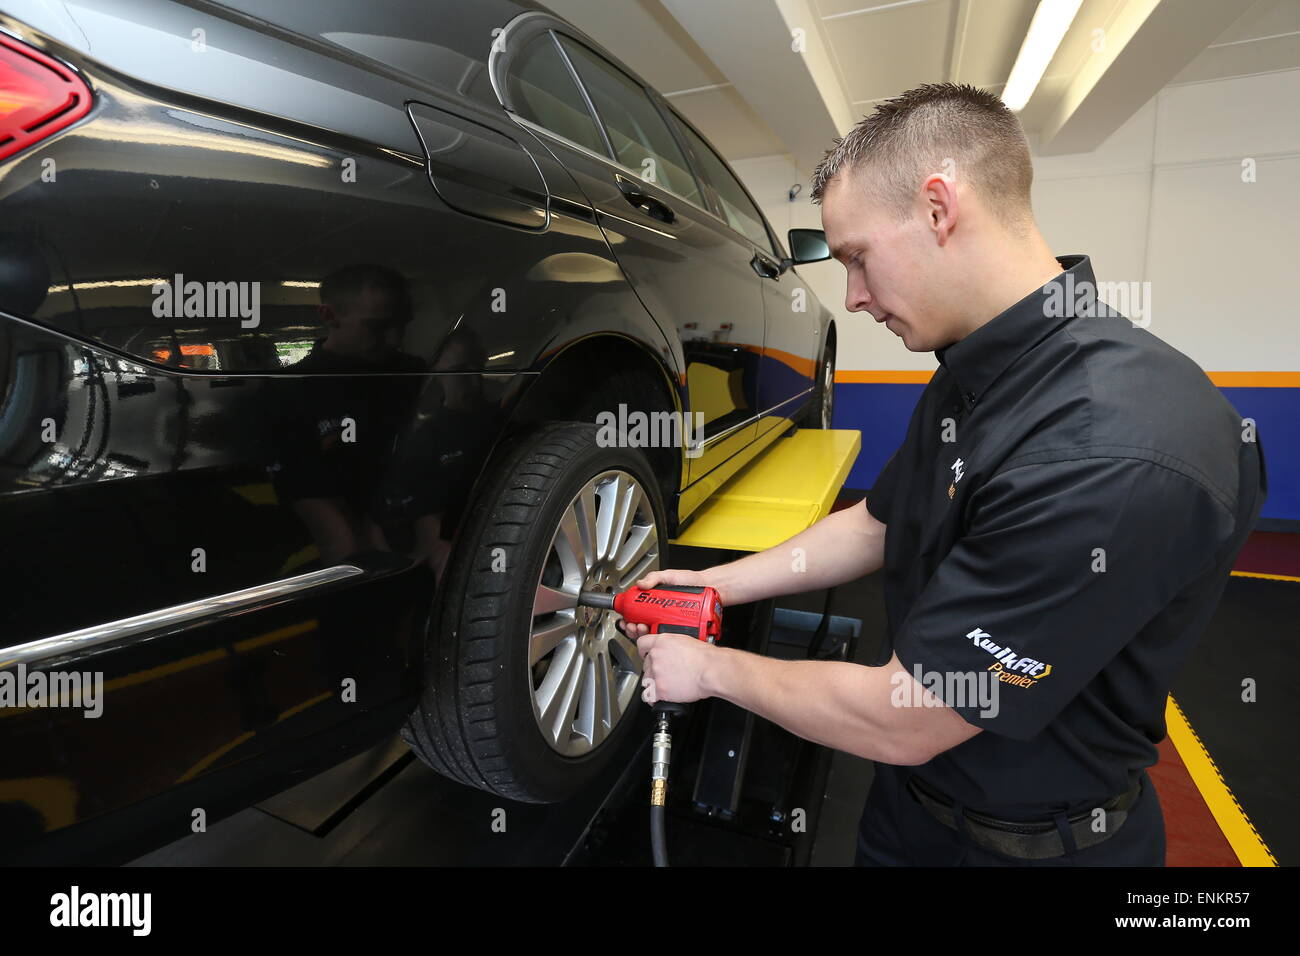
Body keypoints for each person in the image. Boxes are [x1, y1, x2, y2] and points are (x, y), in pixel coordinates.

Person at [624, 83, 1266, 866]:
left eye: (858, 257)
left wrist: (710, 669)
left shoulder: (1109, 450)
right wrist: (715, 588)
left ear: (938, 207)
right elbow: (877, 525)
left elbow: (908, 715)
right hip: (908, 811)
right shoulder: (976, 370)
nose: (853, 298)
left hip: (1034, 848)